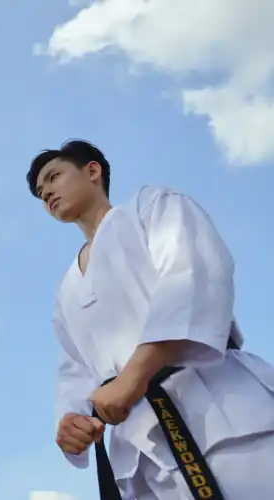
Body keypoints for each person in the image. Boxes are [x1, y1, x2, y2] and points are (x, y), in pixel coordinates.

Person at [28, 140, 274, 499]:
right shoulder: (66, 289)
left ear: (92, 171)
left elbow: (192, 275)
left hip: (223, 412)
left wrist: (135, 375)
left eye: (53, 177)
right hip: (141, 453)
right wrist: (72, 421)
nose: (46, 191)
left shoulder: (151, 206)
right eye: (40, 192)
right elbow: (75, 369)